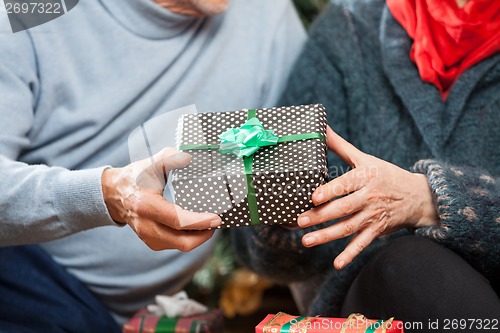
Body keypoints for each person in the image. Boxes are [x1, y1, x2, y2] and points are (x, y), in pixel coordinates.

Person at [0, 0, 305, 331]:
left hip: (140, 311)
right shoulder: (30, 11)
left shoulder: (268, 13)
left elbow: (295, 158)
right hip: (25, 272)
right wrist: (108, 195)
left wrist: (289, 198)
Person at [233, 0, 500, 330]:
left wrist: (431, 199)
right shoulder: (348, 28)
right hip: (374, 297)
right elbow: (271, 256)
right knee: (412, 265)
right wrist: (286, 214)